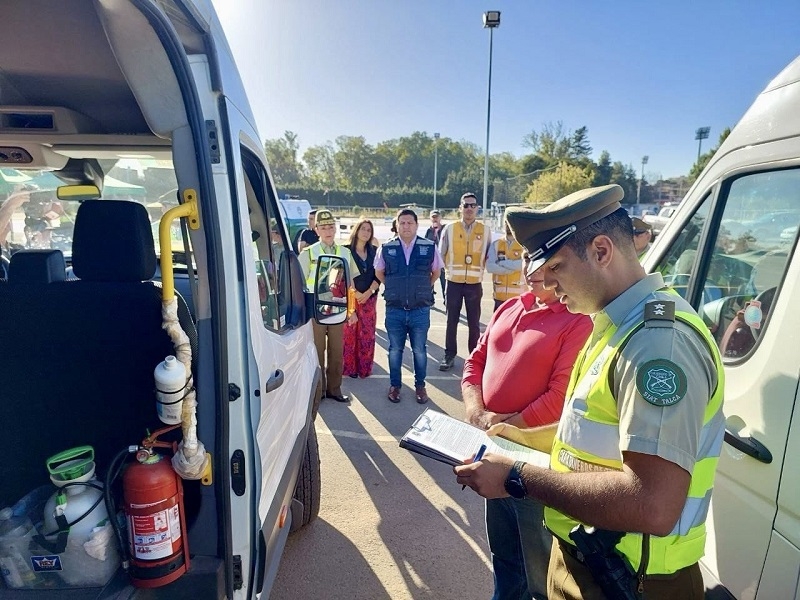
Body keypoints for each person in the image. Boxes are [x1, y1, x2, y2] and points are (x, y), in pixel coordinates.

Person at [455, 184, 725, 600]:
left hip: (632, 580)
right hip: (597, 560)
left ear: (601, 251)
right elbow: (588, 439)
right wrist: (514, 440)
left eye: (556, 265)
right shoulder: (616, 324)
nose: (541, 278)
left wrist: (517, 478)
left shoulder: (658, 344)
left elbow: (652, 502)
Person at [463, 251, 592, 600]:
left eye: (545, 264)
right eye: (525, 260)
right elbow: (474, 363)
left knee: (540, 575)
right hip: (496, 454)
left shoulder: (577, 320)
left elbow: (558, 398)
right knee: (504, 559)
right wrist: (477, 412)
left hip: (534, 469)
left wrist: (502, 429)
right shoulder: (509, 307)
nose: (531, 271)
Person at [374, 208, 443, 404]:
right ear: (396, 225)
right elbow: (379, 272)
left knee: (419, 350)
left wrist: (422, 287)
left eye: (409, 223)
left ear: (416, 225)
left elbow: (436, 272)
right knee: (395, 350)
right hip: (395, 309)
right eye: (402, 223)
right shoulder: (387, 248)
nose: (406, 226)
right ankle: (395, 386)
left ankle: (420, 386)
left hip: (420, 310)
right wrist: (395, 286)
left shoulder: (429, 246)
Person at [299, 209, 359, 403]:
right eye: (323, 227)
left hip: (337, 308)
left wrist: (352, 311)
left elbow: (351, 284)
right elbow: (298, 284)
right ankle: (320, 391)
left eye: (331, 227)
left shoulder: (344, 252)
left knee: (336, 352)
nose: (328, 231)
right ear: (316, 229)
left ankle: (334, 389)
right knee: (317, 352)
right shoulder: (309, 253)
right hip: (316, 310)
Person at [438, 192, 491, 370]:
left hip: (474, 284)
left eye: (473, 205)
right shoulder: (450, 229)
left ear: (477, 208)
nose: (469, 208)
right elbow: (440, 255)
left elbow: (489, 256)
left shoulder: (485, 231)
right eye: (466, 205)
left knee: (474, 324)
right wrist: (450, 271)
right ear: (460, 208)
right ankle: (449, 355)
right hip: (453, 282)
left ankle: (474, 358)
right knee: (451, 321)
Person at [343, 218, 380, 378]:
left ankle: (364, 368)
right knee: (350, 334)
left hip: (369, 298)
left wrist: (369, 292)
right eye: (363, 229)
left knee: (367, 334)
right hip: (350, 298)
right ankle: (349, 368)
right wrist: (355, 293)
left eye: (369, 230)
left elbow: (380, 275)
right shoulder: (345, 250)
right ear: (356, 230)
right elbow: (342, 274)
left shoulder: (375, 251)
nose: (366, 232)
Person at [486, 223, 525, 311]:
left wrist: (502, 263)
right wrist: (511, 269)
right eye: (506, 223)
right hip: (499, 298)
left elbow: (523, 264)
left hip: (520, 298)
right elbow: (490, 267)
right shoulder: (496, 244)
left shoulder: (524, 245)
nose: (508, 226)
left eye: (510, 223)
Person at [424, 209, 447, 302]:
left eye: (437, 217)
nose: (435, 219)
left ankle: (447, 300)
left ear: (440, 218)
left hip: (442, 261)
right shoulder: (429, 231)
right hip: (431, 261)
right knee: (430, 281)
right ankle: (430, 299)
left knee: (444, 282)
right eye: (433, 217)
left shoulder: (445, 229)